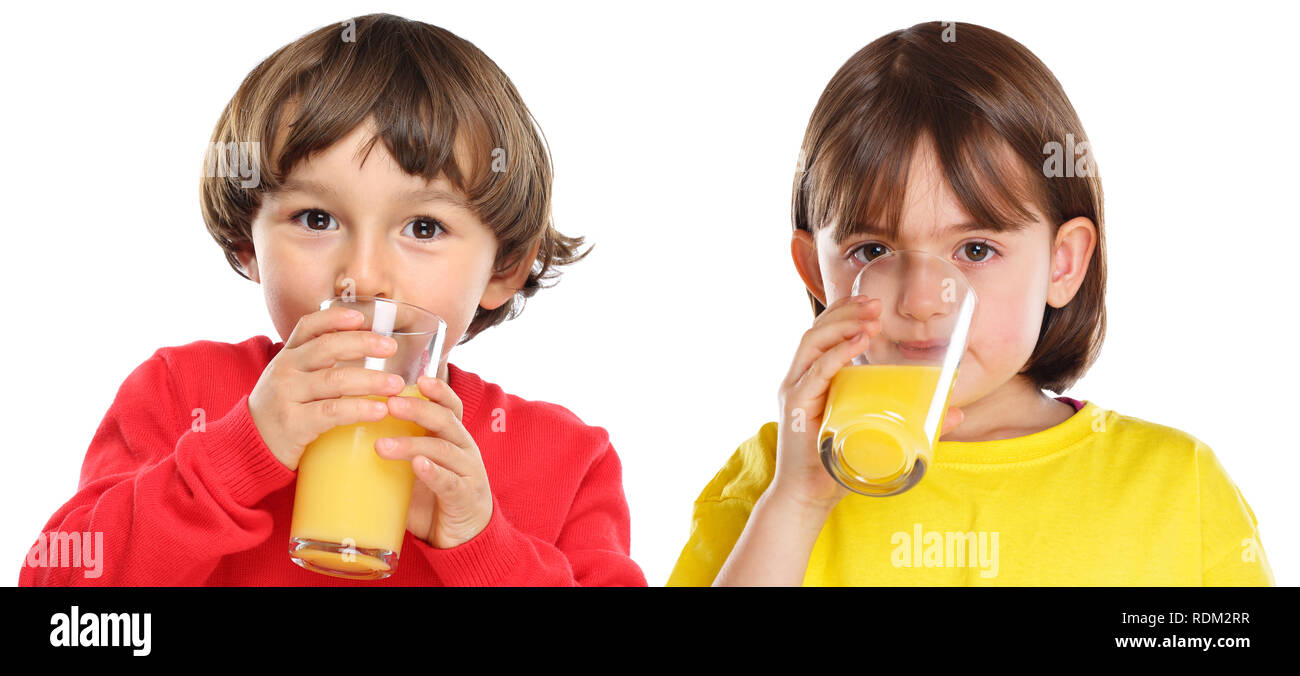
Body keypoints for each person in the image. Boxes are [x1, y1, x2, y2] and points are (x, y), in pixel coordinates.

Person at [20, 13, 646, 586]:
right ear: (247, 242)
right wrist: (234, 458)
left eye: (424, 228)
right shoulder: (178, 394)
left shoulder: (568, 459)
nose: (363, 277)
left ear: (504, 267)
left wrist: (482, 545)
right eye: (316, 218)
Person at [667, 21, 1273, 586]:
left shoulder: (1176, 486)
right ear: (815, 273)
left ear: (1063, 264)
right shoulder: (770, 482)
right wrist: (796, 503)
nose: (925, 299)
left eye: (976, 250)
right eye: (873, 249)